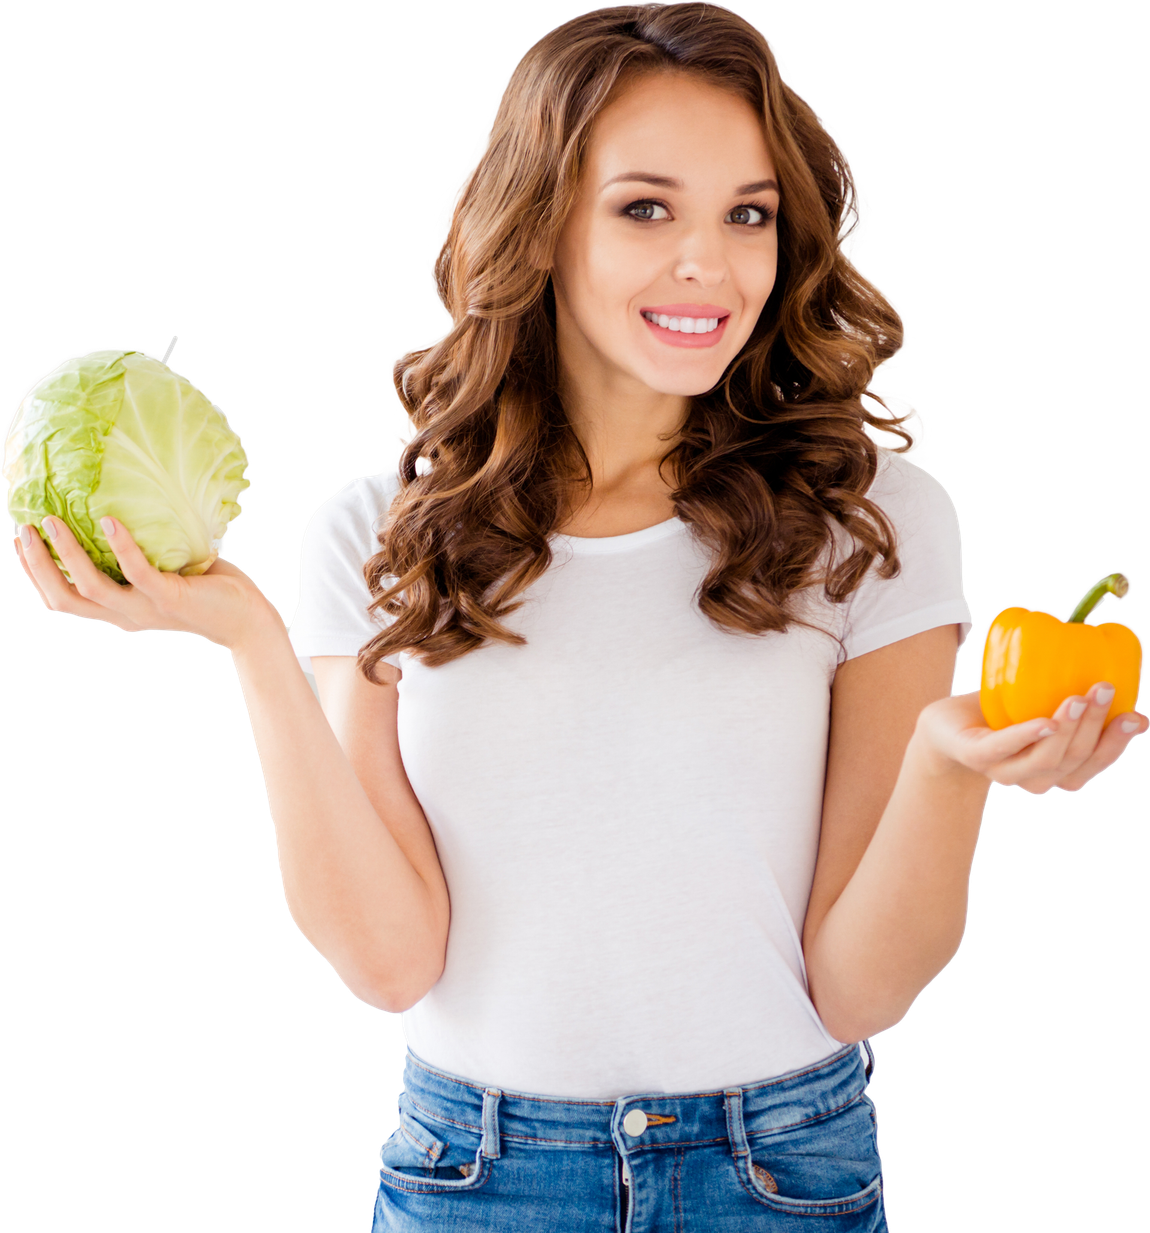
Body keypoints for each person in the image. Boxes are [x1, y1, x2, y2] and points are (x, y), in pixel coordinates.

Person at [13, 5, 1145, 1231]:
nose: (708, 265)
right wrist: (251, 641)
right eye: (645, 208)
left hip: (779, 1170)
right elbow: (391, 962)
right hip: (475, 1174)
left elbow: (859, 987)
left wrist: (946, 765)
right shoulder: (375, 532)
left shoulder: (868, 519)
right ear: (542, 222)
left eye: (747, 214)